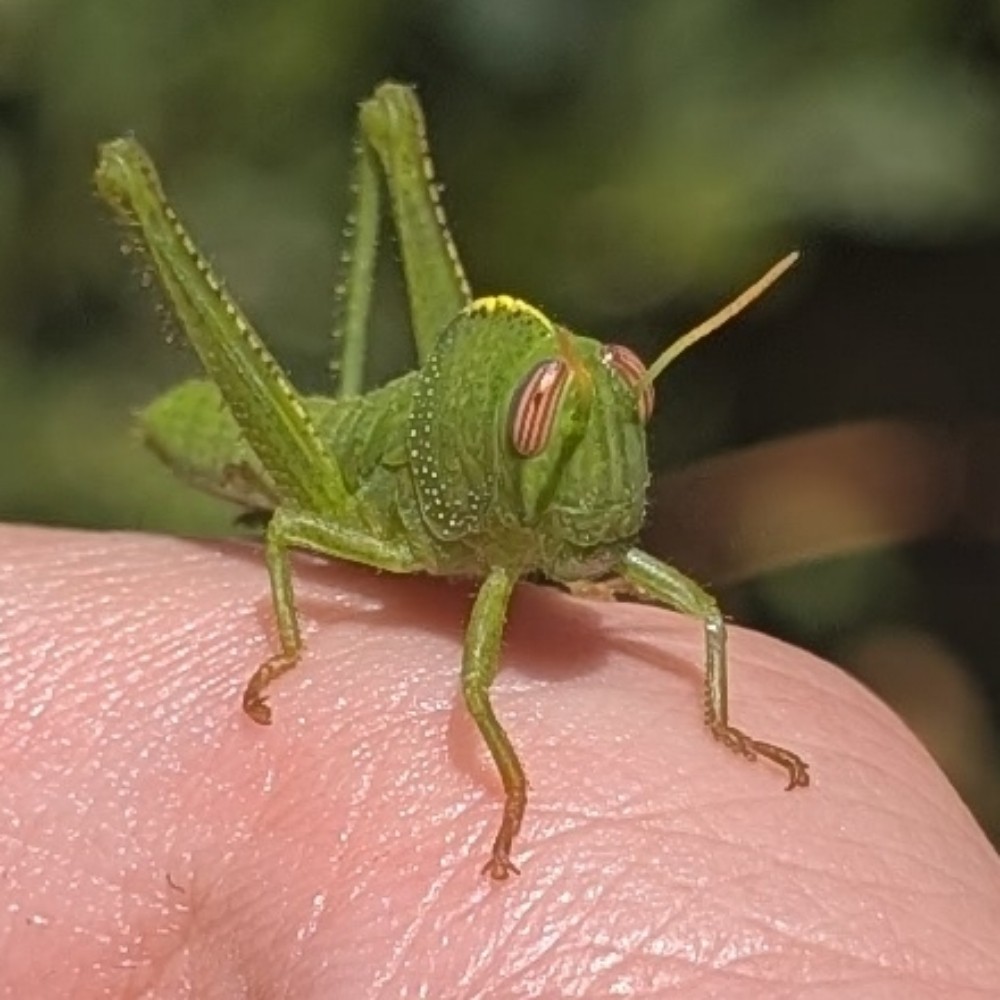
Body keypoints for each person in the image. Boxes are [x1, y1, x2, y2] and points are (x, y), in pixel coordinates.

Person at [2, 524, 998, 996]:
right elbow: (462, 681)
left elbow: (704, 615)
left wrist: (725, 730)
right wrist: (511, 803)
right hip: (320, 469)